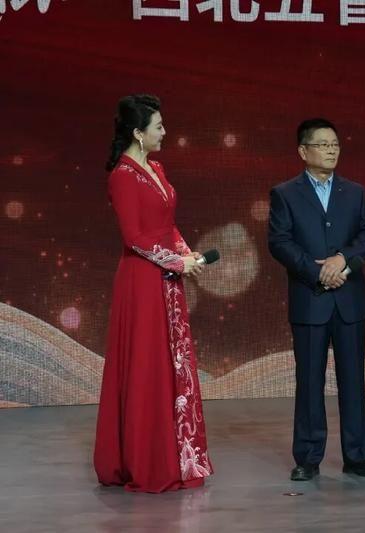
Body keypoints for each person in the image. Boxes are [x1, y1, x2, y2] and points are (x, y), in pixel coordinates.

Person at [94, 94, 213, 492]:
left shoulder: (157, 168)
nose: (164, 132)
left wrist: (185, 252)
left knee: (170, 363)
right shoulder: (122, 176)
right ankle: (147, 460)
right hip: (142, 282)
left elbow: (166, 224)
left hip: (166, 278)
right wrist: (177, 262)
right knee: (148, 365)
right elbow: (134, 237)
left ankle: (176, 457)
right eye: (158, 126)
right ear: (137, 133)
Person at [268, 118, 365, 481]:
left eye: (335, 144)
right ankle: (307, 457)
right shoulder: (285, 193)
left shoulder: (355, 192)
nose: (332, 150)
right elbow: (279, 241)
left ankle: (358, 456)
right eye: (323, 144)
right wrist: (316, 271)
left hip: (349, 299)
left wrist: (342, 260)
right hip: (310, 298)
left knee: (353, 381)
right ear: (303, 151)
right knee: (309, 381)